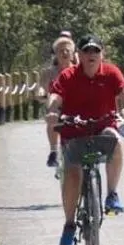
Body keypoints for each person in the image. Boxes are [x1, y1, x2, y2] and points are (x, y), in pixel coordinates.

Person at [45, 35, 124, 245]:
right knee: (73, 175)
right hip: (73, 131)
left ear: (101, 54)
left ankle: (112, 195)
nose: (91, 55)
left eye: (95, 51)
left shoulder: (111, 72)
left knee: (115, 140)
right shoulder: (68, 75)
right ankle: (69, 224)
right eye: (87, 51)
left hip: (102, 126)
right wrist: (52, 110)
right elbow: (56, 95)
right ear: (80, 55)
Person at [38, 34, 78, 169]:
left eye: (67, 50)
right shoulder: (48, 73)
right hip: (56, 108)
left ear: (73, 54)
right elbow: (41, 88)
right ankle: (54, 151)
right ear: (56, 54)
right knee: (52, 119)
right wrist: (42, 93)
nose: (65, 53)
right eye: (61, 51)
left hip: (77, 107)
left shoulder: (79, 71)